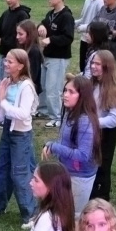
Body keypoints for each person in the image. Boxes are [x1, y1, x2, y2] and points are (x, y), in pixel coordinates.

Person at [0, 49, 39, 222]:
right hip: (8, 129)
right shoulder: (7, 81)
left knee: (19, 174)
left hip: (21, 134)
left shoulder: (26, 87)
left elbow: (23, 114)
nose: (5, 63)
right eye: (6, 60)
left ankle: (30, 214)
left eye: (10, 61)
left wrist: (3, 101)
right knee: (0, 168)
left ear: (20, 66)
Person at [45, 75, 101, 215]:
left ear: (82, 96)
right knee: (60, 212)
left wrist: (54, 147)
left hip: (79, 177)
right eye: (65, 90)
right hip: (67, 171)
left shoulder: (84, 121)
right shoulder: (70, 113)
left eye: (71, 92)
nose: (65, 95)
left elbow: (82, 155)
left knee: (73, 216)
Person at [90, 50, 116, 200]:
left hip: (105, 134)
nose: (93, 66)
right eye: (92, 63)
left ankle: (102, 197)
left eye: (97, 64)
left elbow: (114, 119)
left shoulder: (113, 90)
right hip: (91, 131)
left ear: (107, 67)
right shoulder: (92, 84)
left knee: (102, 167)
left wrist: (92, 122)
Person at [38, 0, 75, 124]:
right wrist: (41, 26)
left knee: (54, 89)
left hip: (58, 58)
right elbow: (44, 23)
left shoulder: (66, 17)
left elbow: (68, 37)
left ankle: (57, 117)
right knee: (43, 86)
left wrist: (51, 39)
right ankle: (43, 110)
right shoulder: (51, 14)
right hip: (47, 56)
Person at [75, 0, 105, 68]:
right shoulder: (87, 0)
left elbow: (99, 22)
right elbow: (83, 18)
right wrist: (73, 23)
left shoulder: (101, 2)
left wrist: (84, 28)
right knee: (82, 65)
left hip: (94, 39)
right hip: (84, 38)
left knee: (91, 66)